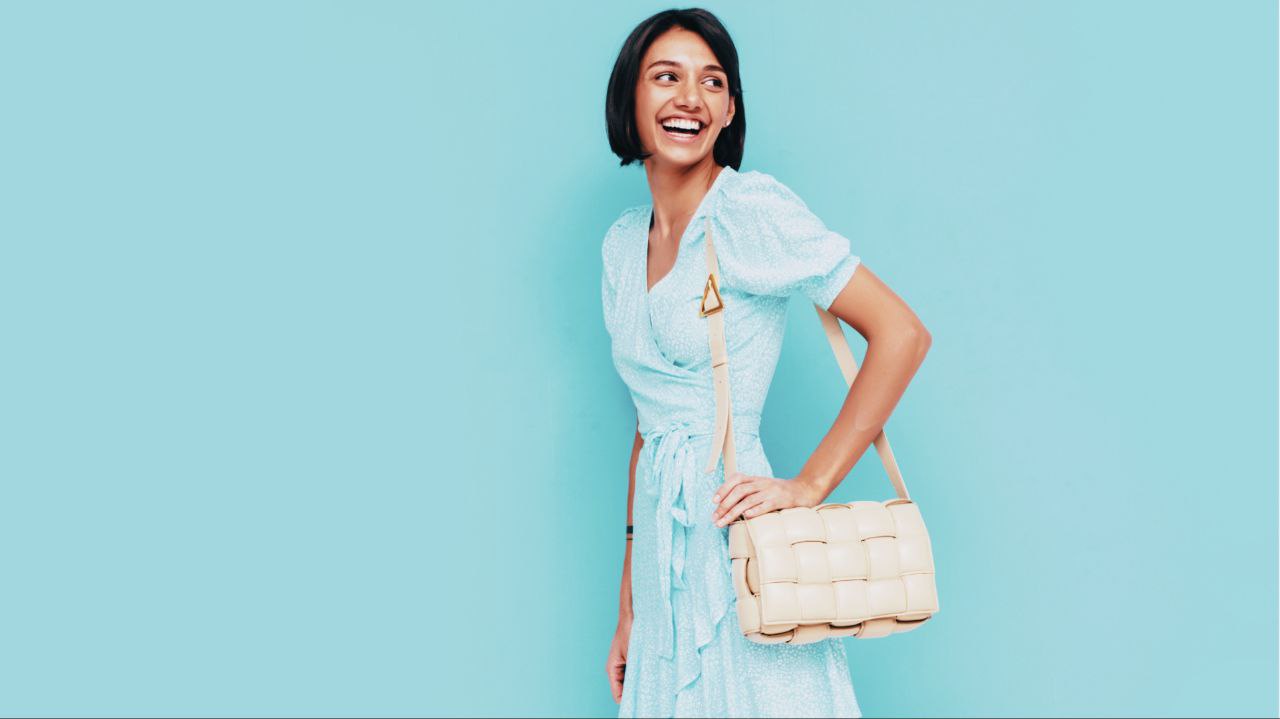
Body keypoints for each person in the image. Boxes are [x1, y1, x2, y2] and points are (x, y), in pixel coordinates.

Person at [600, 9, 932, 718]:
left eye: (712, 82)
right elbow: (648, 424)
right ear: (630, 96)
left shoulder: (749, 211)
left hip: (736, 538)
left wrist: (810, 483)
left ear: (728, 111)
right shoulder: (621, 246)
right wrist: (629, 604)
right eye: (667, 77)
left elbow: (901, 333)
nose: (690, 96)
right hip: (662, 569)